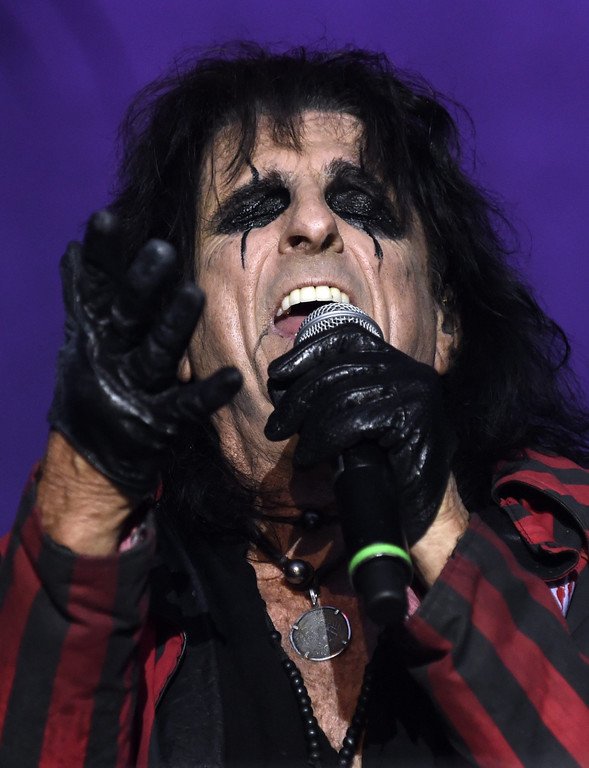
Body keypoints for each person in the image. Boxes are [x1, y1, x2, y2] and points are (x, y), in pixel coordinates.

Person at [0, 43, 588, 768]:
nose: (313, 223)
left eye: (359, 204)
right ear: (180, 330)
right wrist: (84, 500)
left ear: (445, 325)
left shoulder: (569, 543)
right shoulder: (116, 584)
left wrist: (437, 522)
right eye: (256, 207)